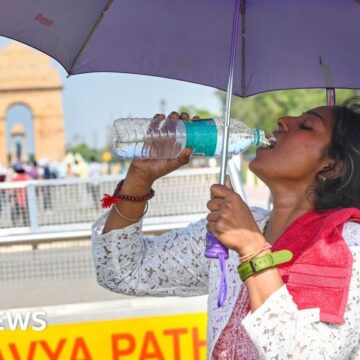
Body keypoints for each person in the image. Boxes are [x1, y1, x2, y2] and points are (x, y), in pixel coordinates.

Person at [92, 99, 360, 359]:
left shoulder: (347, 244)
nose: (283, 121)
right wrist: (139, 178)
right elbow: (122, 272)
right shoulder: (231, 232)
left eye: (306, 126)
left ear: (331, 167)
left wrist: (252, 249)